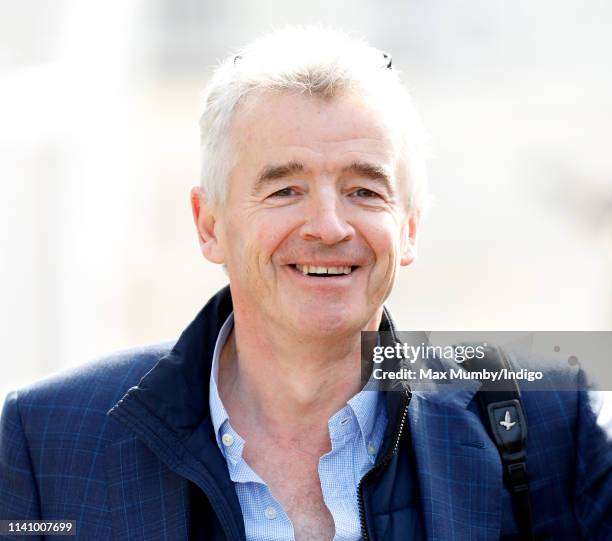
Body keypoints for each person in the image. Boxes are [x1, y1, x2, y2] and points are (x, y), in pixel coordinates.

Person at [1, 27, 610, 541]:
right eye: (285, 189)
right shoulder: (47, 440)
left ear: (409, 229)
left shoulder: (547, 421)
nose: (328, 226)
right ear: (209, 225)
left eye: (364, 190)